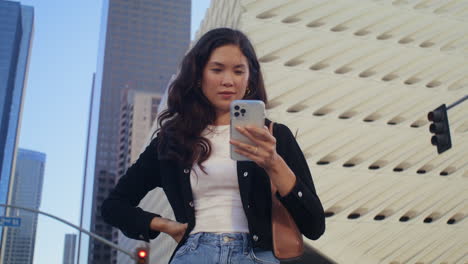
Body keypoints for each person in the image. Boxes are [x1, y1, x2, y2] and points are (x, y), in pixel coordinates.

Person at [101, 27, 325, 264]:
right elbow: (114, 206)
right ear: (198, 77)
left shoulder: (274, 137)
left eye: (238, 71)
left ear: (249, 79)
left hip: (256, 256)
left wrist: (274, 164)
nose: (228, 81)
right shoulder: (172, 141)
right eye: (217, 70)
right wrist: (166, 226)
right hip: (195, 253)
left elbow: (314, 226)